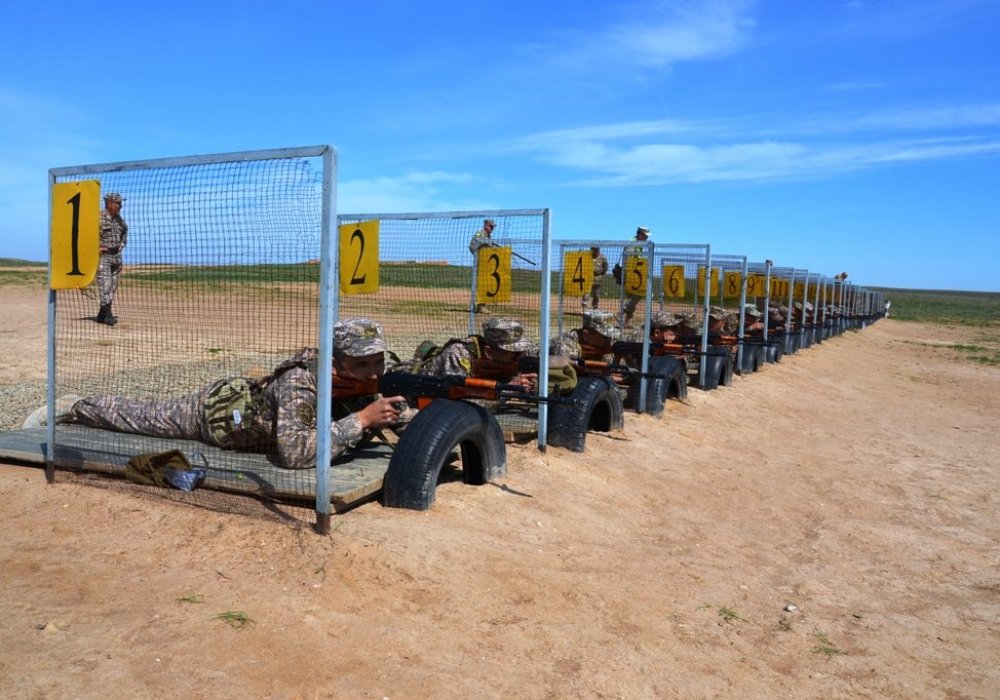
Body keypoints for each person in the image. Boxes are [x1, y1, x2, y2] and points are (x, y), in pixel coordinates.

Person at [54, 318, 414, 470]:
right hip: (216, 417)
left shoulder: (359, 380)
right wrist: (362, 420)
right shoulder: (300, 384)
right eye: (362, 364)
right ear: (335, 361)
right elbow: (294, 454)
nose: (374, 372)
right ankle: (77, 405)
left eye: (378, 361)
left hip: (246, 403)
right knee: (139, 416)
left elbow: (385, 408)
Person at [413, 317, 537, 389]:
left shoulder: (513, 358)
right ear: (488, 353)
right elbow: (460, 402)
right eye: (513, 353)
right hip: (420, 394)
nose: (519, 357)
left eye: (521, 351)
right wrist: (507, 389)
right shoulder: (458, 354)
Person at [96, 192, 129, 326]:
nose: (120, 206)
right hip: (103, 257)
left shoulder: (120, 220)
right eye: (118, 203)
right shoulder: (98, 218)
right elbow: (87, 235)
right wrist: (96, 248)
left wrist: (121, 246)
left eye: (120, 203)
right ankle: (108, 314)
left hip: (116, 257)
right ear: (109, 203)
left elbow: (125, 233)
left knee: (113, 286)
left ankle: (102, 313)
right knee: (105, 285)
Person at [550, 309, 622, 362]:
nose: (609, 341)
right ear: (586, 335)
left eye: (611, 336)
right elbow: (560, 361)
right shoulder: (565, 342)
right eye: (605, 337)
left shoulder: (605, 345)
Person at [620, 226, 650, 325]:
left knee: (632, 297)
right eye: (646, 236)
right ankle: (623, 313)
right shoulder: (632, 244)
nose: (647, 238)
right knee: (638, 294)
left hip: (637, 274)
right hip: (631, 275)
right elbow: (629, 259)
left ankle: (626, 320)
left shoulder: (639, 244)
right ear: (640, 235)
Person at [468, 218, 498, 314]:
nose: (492, 228)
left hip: (487, 263)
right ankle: (479, 306)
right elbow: (472, 245)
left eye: (493, 227)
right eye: (491, 226)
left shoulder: (489, 237)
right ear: (486, 225)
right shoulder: (479, 234)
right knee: (481, 285)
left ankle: (482, 305)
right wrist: (485, 243)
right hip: (480, 262)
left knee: (485, 285)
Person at [583, 245, 608, 310]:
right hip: (588, 277)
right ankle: (584, 305)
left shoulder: (603, 257)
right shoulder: (588, 256)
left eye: (594, 250)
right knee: (586, 292)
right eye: (592, 250)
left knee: (596, 294)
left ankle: (595, 306)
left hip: (598, 278)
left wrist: (601, 273)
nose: (593, 251)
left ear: (597, 250)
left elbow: (605, 267)